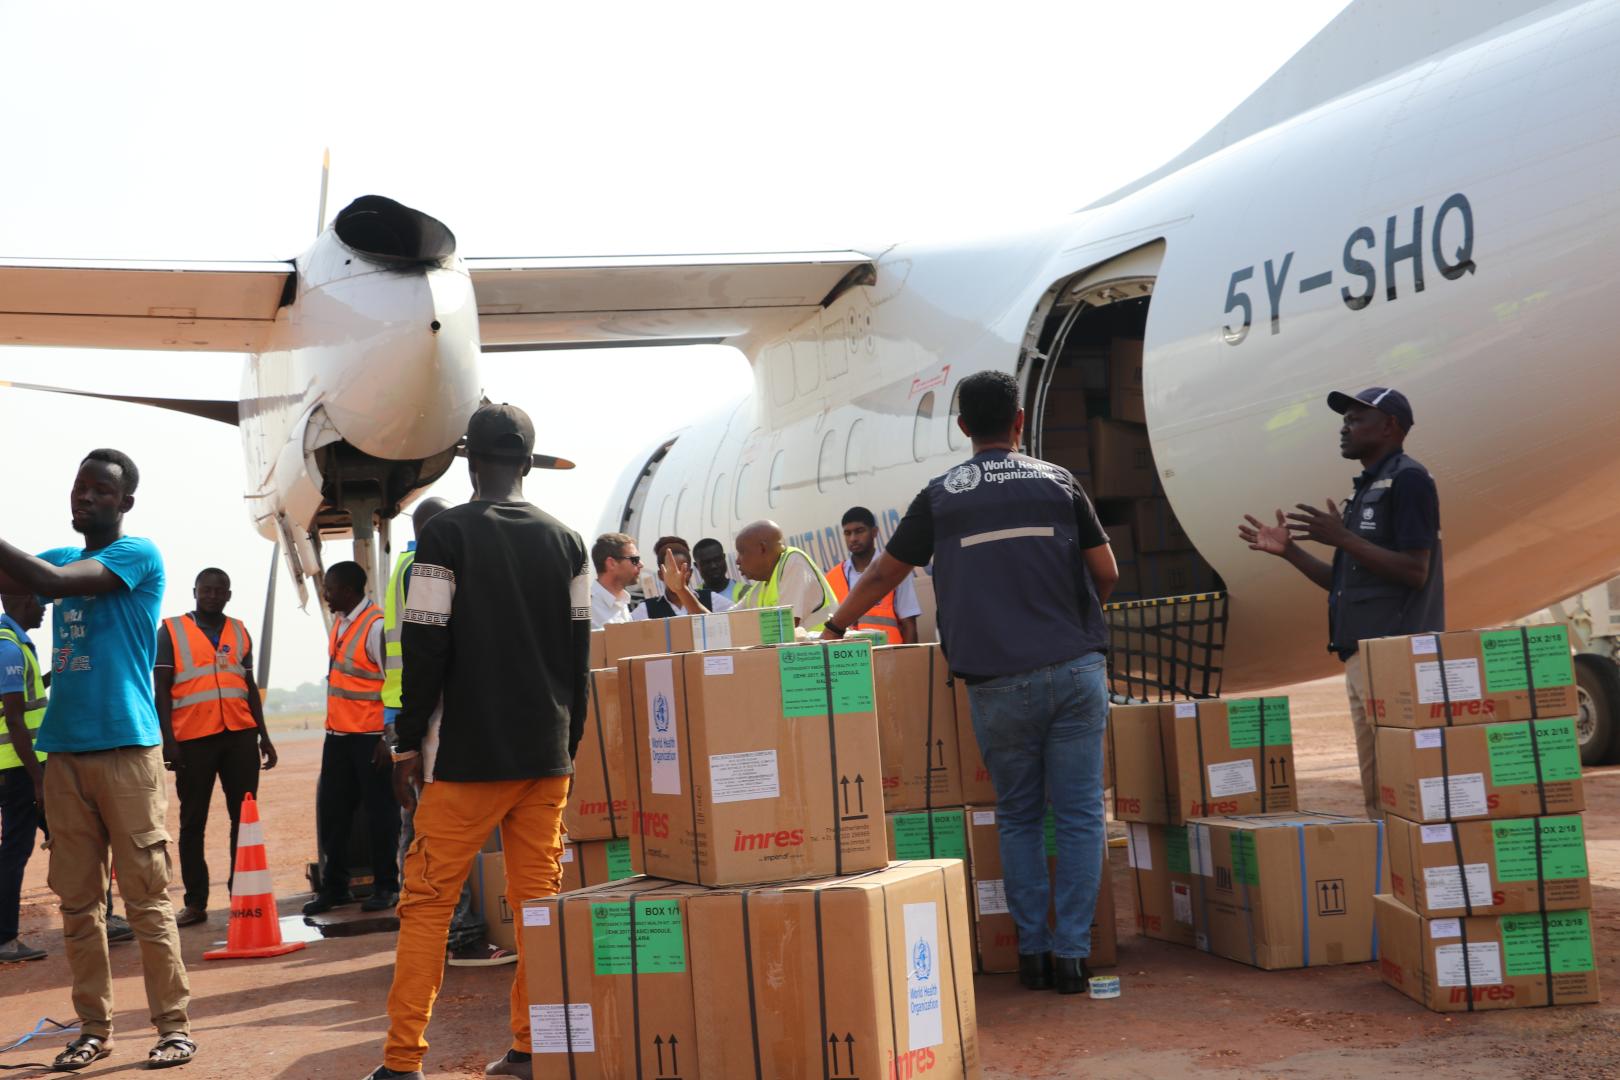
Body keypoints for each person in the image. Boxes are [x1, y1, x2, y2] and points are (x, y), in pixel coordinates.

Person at [820, 371, 1118, 995]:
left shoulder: (941, 495)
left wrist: (834, 628)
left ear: (962, 428)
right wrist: (1070, 620)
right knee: (1081, 815)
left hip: (995, 682)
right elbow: (1106, 571)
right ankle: (1072, 959)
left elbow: (878, 577)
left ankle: (1031, 955)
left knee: (1017, 815)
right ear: (1018, 421)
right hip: (1074, 670)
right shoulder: (1059, 482)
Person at [365, 403, 589, 1080]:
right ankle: (530, 1049)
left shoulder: (446, 538)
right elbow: (579, 659)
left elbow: (426, 646)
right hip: (545, 759)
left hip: (467, 761)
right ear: (527, 460)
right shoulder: (569, 541)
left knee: (428, 907)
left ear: (469, 459)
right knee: (540, 910)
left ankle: (403, 1062)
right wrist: (565, 745)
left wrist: (405, 742)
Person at [0, 449, 195, 1067]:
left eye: (100, 492)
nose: (84, 499)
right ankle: (93, 1030)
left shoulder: (137, 555)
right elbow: (21, 579)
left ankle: (172, 1028)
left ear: (124, 504)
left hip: (127, 751)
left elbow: (50, 585)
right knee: (78, 906)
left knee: (146, 901)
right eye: (78, 489)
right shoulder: (61, 557)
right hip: (66, 757)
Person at [1238, 386, 1442, 821]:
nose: (1344, 428)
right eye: (1344, 419)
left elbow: (1414, 570)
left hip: (1394, 652)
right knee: (1378, 790)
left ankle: (1416, 877)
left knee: (1402, 788)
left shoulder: (1408, 480)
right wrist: (1290, 552)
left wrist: (1344, 538)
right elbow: (1343, 583)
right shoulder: (1364, 490)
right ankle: (1394, 878)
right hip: (1361, 655)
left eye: (1355, 419)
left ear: (1389, 426)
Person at [381, 496, 501, 966]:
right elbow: (431, 651)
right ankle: (456, 934)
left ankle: (430, 931)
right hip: (424, 714)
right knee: (433, 830)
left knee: (424, 829)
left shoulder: (412, 566)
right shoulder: (424, 569)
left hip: (411, 710)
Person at [155, 567, 278, 927]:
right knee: (193, 822)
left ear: (228, 594)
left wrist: (264, 735)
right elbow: (161, 688)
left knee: (244, 819)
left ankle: (243, 894)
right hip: (193, 741)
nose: (211, 595)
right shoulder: (172, 631)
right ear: (194, 591)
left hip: (239, 736)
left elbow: (249, 686)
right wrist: (169, 741)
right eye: (205, 590)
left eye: (218, 590)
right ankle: (195, 902)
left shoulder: (239, 631)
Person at [305, 560, 401, 916]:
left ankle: (387, 886)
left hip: (369, 738)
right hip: (339, 738)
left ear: (347, 590)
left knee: (380, 814)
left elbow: (393, 684)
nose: (325, 594)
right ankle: (336, 888)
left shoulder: (375, 627)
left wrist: (386, 737)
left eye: (329, 588)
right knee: (334, 814)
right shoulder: (342, 623)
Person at [0, 592, 47, 962]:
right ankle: (5, 939)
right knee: (16, 850)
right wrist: (37, 779)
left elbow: (26, 700)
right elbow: (15, 719)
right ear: (19, 601)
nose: (44, 607)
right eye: (39, 599)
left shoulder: (15, 644)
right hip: (20, 767)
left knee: (74, 833)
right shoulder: (9, 648)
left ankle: (103, 915)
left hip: (22, 765)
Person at [828, 507, 921, 644]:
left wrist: (908, 660)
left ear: (874, 532)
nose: (853, 538)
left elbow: (909, 624)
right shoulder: (832, 577)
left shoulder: (895, 570)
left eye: (859, 531)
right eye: (847, 533)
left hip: (889, 657)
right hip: (849, 661)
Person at [732, 520, 837, 630]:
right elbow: (730, 619)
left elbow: (785, 626)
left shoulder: (794, 562)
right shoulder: (762, 586)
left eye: (742, 552)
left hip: (824, 646)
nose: (737, 561)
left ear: (762, 548)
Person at [631, 536, 733, 620]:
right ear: (660, 575)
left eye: (683, 569)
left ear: (691, 572)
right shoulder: (646, 610)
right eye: (672, 570)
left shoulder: (711, 599)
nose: (678, 575)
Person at [589, 532, 639, 627]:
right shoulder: (586, 608)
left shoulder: (623, 601)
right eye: (634, 559)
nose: (641, 564)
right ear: (611, 563)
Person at [693, 537, 742, 602]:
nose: (713, 566)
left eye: (717, 560)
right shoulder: (694, 598)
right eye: (707, 562)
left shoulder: (746, 592)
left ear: (724, 558)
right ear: (697, 566)